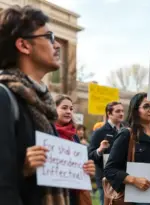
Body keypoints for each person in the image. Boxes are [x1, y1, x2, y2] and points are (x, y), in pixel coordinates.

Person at [0, 5, 91, 205]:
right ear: (24, 46)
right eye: (49, 37)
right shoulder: (4, 97)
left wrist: (77, 170)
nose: (57, 45)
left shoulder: (43, 107)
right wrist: (22, 169)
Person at [55, 95, 96, 205]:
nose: (68, 111)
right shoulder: (48, 131)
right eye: (64, 108)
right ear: (54, 108)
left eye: (71, 109)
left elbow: (81, 164)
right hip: (54, 193)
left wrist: (88, 169)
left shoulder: (74, 136)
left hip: (74, 193)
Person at [88, 102, 125, 205]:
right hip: (105, 178)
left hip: (123, 176)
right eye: (117, 111)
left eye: (122, 111)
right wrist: (100, 149)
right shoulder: (99, 132)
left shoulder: (127, 130)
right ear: (109, 113)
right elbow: (90, 155)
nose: (121, 113)